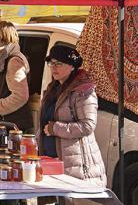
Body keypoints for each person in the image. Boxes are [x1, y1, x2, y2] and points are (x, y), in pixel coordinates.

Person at [40, 45, 106, 186]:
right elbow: (45, 122)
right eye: (51, 63)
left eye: (59, 64)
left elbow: (87, 126)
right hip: (50, 160)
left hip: (76, 164)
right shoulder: (52, 89)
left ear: (72, 66)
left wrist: (56, 128)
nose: (53, 68)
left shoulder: (83, 90)